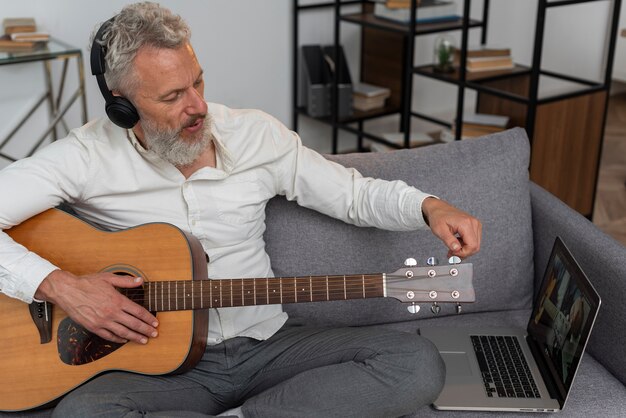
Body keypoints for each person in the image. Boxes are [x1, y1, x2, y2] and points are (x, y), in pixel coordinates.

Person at [0, 3, 482, 417]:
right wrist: (62, 286)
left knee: (415, 362)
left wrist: (428, 206)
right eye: (172, 96)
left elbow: (352, 194)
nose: (198, 106)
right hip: (154, 366)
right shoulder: (84, 157)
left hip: (270, 345)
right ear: (121, 105)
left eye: (198, 82)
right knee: (84, 413)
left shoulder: (256, 135)